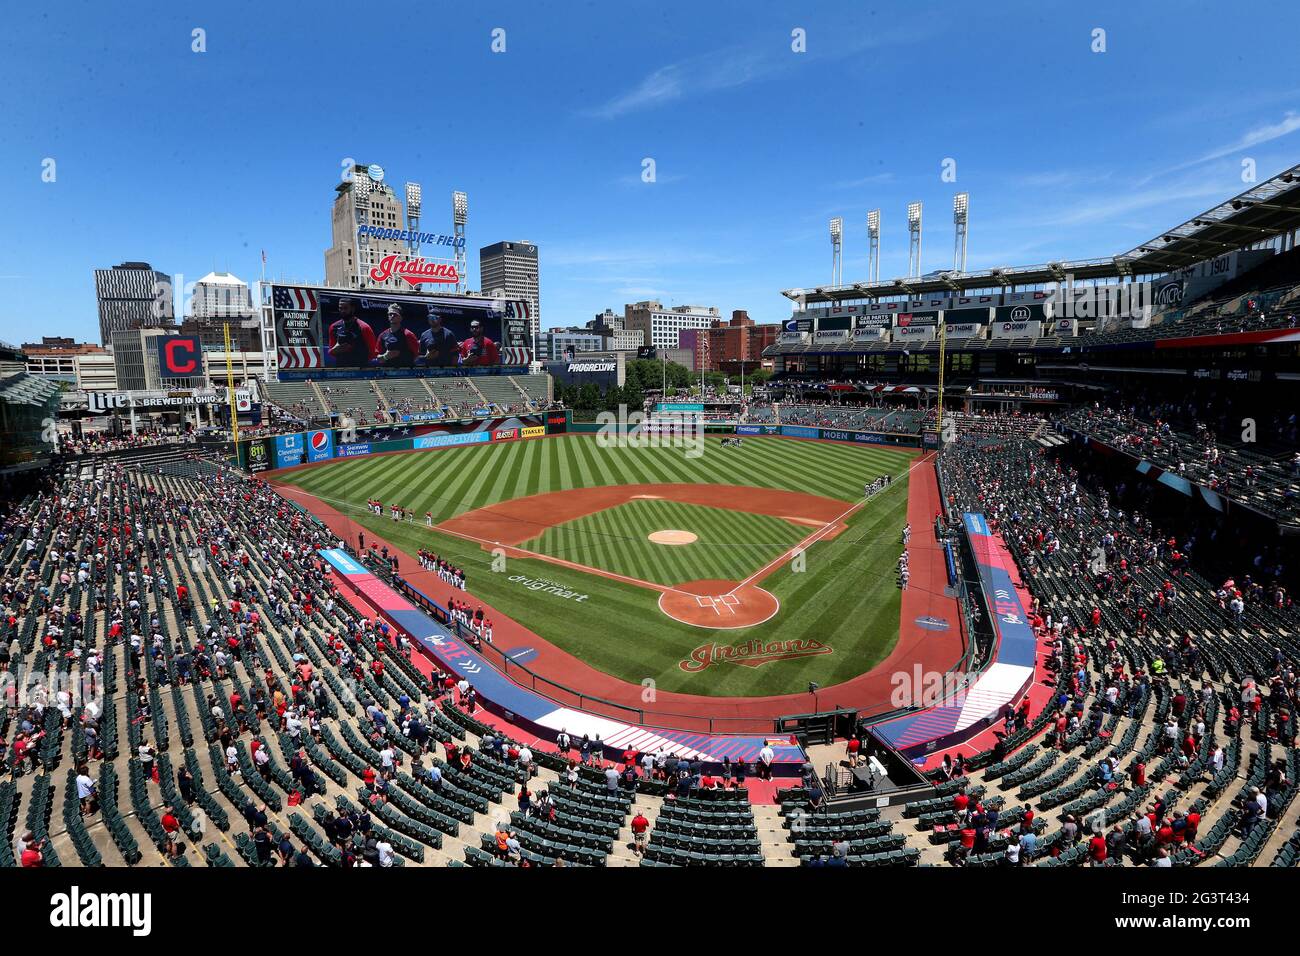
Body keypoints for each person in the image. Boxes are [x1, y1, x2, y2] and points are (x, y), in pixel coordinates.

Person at [327, 297, 378, 368]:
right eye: (340, 308)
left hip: (361, 370)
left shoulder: (364, 327)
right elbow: (330, 351)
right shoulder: (333, 327)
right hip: (341, 370)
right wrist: (336, 350)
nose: (342, 311)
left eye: (345, 308)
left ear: (353, 309)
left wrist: (356, 352)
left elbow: (373, 353)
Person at [376, 304, 420, 368]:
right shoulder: (382, 335)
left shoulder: (408, 335)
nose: (392, 316)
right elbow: (377, 358)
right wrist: (386, 356)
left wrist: (401, 354)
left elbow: (417, 356)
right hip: (387, 372)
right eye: (390, 314)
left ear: (401, 317)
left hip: (407, 372)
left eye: (395, 314)